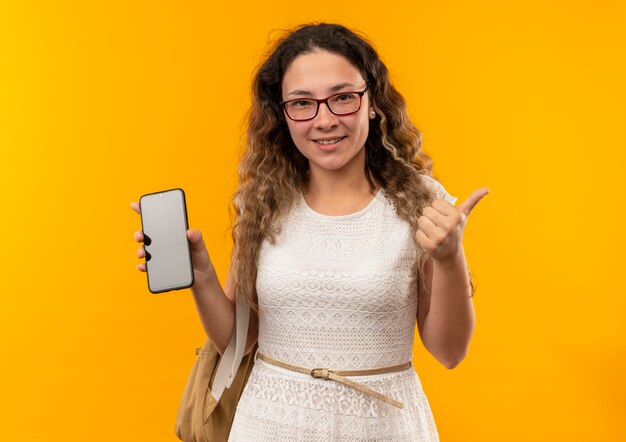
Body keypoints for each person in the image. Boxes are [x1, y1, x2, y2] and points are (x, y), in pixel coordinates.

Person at [131, 22, 489, 441]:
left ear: (373, 102)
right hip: (268, 423)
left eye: (342, 98)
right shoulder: (264, 200)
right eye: (302, 103)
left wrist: (449, 258)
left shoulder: (422, 203)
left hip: (382, 428)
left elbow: (449, 352)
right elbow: (239, 340)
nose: (324, 120)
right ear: (282, 114)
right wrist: (202, 276)